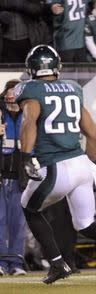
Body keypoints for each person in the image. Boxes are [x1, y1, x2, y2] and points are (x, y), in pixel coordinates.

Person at [16, 44, 96, 284]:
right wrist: (90, 164)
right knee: (84, 223)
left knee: (29, 207)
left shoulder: (31, 89)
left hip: (54, 166)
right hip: (80, 163)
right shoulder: (73, 89)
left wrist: (25, 156)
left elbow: (29, 122)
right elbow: (93, 135)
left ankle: (56, 264)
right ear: (56, 66)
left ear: (32, 68)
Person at [0, 79, 27, 276]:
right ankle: (1, 262)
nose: (12, 97)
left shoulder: (30, 115)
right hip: (1, 176)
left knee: (18, 222)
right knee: (0, 220)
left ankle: (16, 263)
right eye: (10, 93)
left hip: (20, 178)